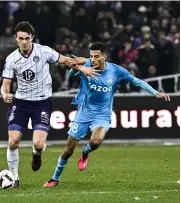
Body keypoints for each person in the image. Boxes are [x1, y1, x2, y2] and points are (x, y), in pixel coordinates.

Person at [44, 42, 170, 187]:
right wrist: (81, 68)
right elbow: (72, 72)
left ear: (104, 56)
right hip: (84, 113)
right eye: (91, 56)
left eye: (97, 56)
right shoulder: (87, 65)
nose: (93, 60)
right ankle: (55, 178)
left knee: (96, 141)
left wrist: (156, 92)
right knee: (68, 149)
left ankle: (85, 152)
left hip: (102, 115)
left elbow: (136, 81)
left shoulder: (116, 71)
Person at [0, 21, 86, 188]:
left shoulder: (44, 51)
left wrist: (84, 65)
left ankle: (36, 153)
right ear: (15, 38)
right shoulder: (11, 59)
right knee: (13, 141)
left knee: (38, 144)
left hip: (41, 103)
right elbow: (6, 84)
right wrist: (5, 94)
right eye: (20, 38)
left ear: (32, 37)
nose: (23, 42)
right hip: (21, 102)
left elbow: (65, 60)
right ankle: (15, 178)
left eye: (26, 38)